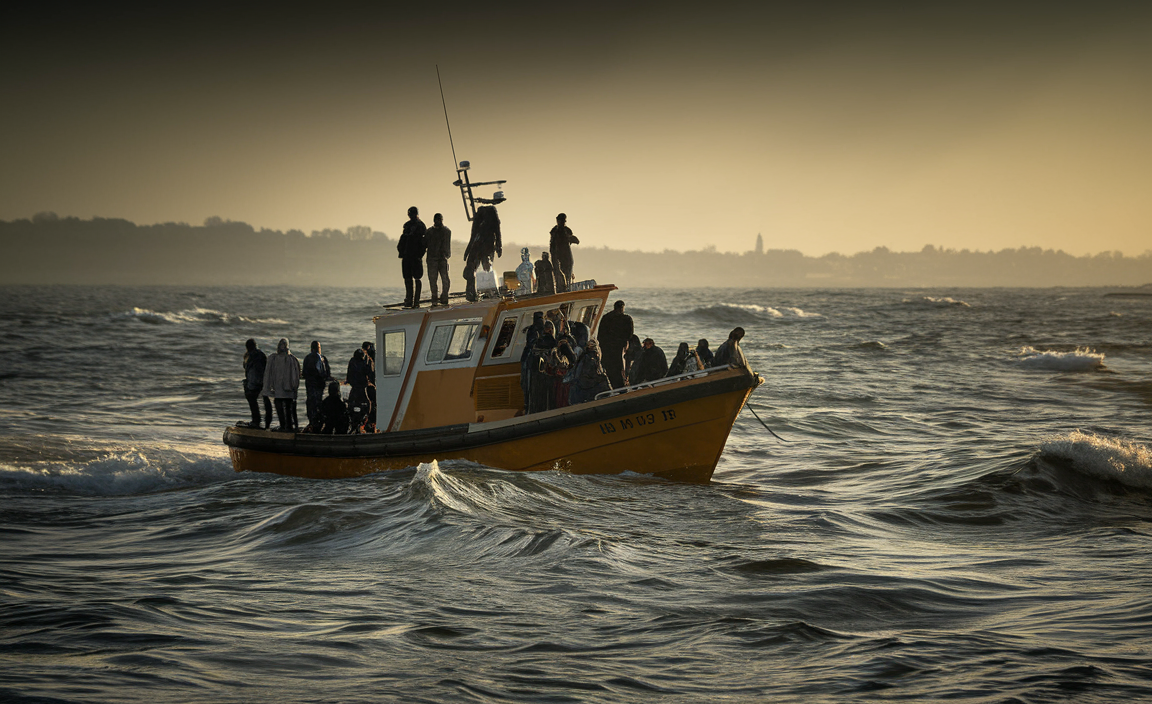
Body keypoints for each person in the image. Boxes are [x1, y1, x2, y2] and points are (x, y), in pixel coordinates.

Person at [462, 204, 502, 302]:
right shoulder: (489, 216)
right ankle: (475, 293)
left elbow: (496, 233)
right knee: (477, 268)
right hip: (481, 247)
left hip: (484, 247)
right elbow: (496, 232)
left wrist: (498, 246)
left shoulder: (486, 216)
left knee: (485, 268)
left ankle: (487, 291)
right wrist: (498, 246)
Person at [262, 338, 301, 431]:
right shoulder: (291, 359)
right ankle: (287, 426)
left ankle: (285, 426)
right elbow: (297, 375)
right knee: (286, 408)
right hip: (284, 389)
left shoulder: (280, 359)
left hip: (282, 389)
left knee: (283, 408)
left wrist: (267, 388)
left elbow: (268, 375)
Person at [596, 300, 633, 388]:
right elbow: (630, 334)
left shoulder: (606, 317)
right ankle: (620, 388)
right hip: (618, 347)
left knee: (608, 368)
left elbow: (600, 334)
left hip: (606, 347)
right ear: (622, 308)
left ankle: (609, 386)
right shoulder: (627, 319)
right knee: (619, 368)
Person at [397, 206, 427, 307]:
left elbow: (423, 243)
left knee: (417, 277)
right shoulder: (407, 226)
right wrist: (401, 251)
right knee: (407, 278)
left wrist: (420, 255)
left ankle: (416, 300)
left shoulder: (421, 226)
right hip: (407, 256)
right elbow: (403, 240)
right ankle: (409, 299)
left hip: (415, 256)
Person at [527, 321, 557, 414]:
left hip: (535, 371)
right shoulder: (552, 341)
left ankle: (535, 410)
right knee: (545, 393)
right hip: (545, 371)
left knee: (536, 393)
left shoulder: (538, 341)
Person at [301, 340, 332, 429]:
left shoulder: (308, 358)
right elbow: (327, 372)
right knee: (318, 403)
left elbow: (305, 373)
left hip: (311, 385)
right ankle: (318, 422)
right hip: (319, 385)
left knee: (311, 403)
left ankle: (312, 422)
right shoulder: (323, 358)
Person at [242, 339, 272, 429]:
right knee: (266, 401)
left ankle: (256, 421)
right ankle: (267, 422)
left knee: (252, 399)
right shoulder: (261, 354)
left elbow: (247, 368)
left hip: (254, 382)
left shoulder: (249, 356)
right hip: (264, 381)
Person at [569, 339, 610, 404]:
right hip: (584, 387)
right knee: (603, 379)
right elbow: (588, 376)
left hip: (581, 386)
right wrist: (601, 376)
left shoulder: (583, 357)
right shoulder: (590, 359)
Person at [519, 311, 545, 413]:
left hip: (528, 360)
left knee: (527, 384)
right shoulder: (537, 330)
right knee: (530, 384)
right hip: (531, 361)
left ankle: (528, 403)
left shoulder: (531, 329)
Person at [549, 213, 579, 292]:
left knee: (567, 272)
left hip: (566, 255)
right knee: (558, 273)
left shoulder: (566, 230)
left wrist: (569, 238)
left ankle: (566, 287)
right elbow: (552, 246)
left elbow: (576, 240)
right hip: (558, 255)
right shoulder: (555, 231)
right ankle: (561, 289)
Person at [426, 213, 452, 306]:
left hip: (442, 259)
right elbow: (425, 244)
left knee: (445, 279)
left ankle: (444, 296)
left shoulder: (446, 231)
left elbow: (447, 245)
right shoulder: (429, 232)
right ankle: (434, 298)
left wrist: (447, 255)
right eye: (436, 220)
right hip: (432, 259)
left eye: (439, 219)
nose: (438, 221)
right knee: (433, 280)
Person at [346, 348, 373, 431]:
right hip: (361, 386)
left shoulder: (352, 361)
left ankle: (351, 417)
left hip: (355, 386)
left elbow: (349, 374)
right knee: (368, 402)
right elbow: (369, 372)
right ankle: (367, 417)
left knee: (351, 402)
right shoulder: (364, 362)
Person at [361, 341, 377, 429]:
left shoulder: (370, 358)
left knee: (371, 402)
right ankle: (371, 420)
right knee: (372, 402)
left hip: (371, 384)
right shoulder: (371, 358)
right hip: (371, 384)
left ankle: (370, 420)